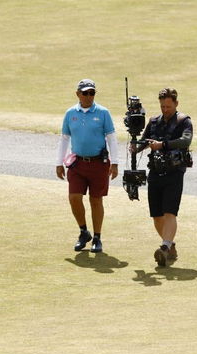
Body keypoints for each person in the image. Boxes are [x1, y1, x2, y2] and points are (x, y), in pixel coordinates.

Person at [131, 88, 193, 267]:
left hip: (174, 172)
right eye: (162, 106)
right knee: (157, 216)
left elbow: (185, 141)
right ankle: (170, 244)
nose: (165, 109)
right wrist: (137, 147)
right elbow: (145, 140)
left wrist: (163, 144)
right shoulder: (154, 121)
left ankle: (164, 248)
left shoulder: (184, 121)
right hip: (155, 172)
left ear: (176, 104)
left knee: (170, 212)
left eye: (168, 106)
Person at [56, 79, 119, 253]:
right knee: (74, 198)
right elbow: (64, 139)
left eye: (92, 93)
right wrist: (58, 163)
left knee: (95, 200)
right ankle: (84, 232)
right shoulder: (70, 113)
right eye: (85, 93)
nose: (89, 96)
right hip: (77, 163)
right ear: (78, 94)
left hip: (99, 164)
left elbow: (112, 138)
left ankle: (97, 237)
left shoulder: (103, 112)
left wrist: (114, 163)